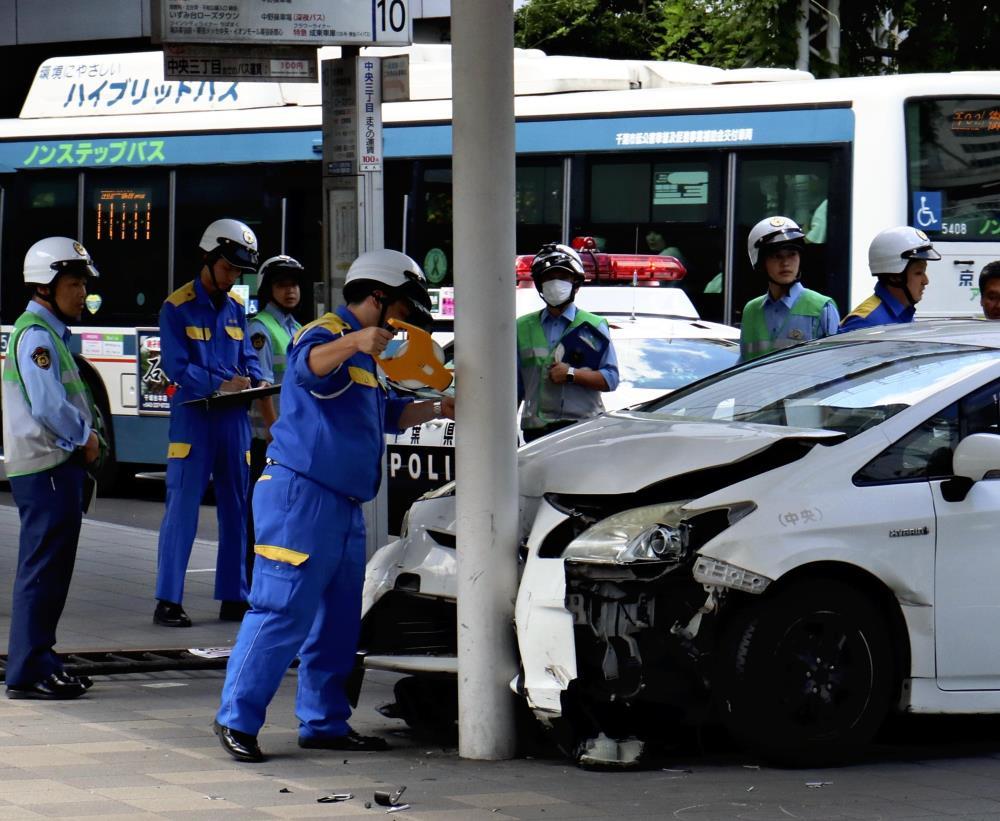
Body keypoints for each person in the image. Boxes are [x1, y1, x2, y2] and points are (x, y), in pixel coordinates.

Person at [214, 248, 455, 763]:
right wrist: (355, 341)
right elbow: (306, 369)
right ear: (378, 298)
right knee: (281, 611)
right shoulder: (323, 334)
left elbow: (388, 412)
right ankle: (236, 718)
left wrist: (439, 405)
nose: (409, 319)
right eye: (404, 307)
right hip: (300, 496)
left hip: (342, 504)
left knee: (339, 621)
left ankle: (324, 722)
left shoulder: (370, 354)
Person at [2, 237, 103, 699]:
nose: (82, 292)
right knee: (43, 571)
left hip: (49, 467)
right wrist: (84, 437)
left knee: (50, 570)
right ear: (45, 286)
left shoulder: (47, 334)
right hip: (48, 467)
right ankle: (29, 670)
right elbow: (47, 403)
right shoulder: (38, 336)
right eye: (74, 283)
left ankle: (41, 660)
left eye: (83, 283)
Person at [153, 218, 264, 628]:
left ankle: (235, 595)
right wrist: (222, 382)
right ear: (209, 257)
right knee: (182, 508)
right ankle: (168, 600)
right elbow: (175, 366)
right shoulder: (176, 306)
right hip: (194, 418)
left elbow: (250, 358)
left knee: (237, 508)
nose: (233, 276)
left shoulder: (237, 308)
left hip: (233, 419)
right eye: (229, 268)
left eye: (238, 271)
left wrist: (257, 377)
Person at [517, 242, 619, 442]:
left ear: (576, 283)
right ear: (539, 284)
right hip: (536, 433)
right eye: (548, 277)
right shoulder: (521, 327)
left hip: (582, 430)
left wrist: (572, 374)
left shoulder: (594, 325)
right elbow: (514, 387)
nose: (556, 283)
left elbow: (611, 379)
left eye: (563, 277)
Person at [245, 255, 307, 577]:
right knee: (263, 520)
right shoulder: (260, 329)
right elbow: (262, 388)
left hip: (290, 441)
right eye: (282, 285)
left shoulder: (297, 329)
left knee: (287, 517)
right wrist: (275, 433)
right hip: (269, 442)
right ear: (269, 290)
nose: (291, 291)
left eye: (294, 284)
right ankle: (252, 586)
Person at [739, 215, 840, 361]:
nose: (786, 263)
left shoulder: (822, 308)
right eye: (776, 256)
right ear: (761, 263)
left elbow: (834, 367)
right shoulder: (750, 310)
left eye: (792, 254)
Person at [840, 226, 940, 332]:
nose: (926, 281)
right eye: (918, 273)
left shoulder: (904, 314)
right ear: (895, 277)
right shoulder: (866, 322)